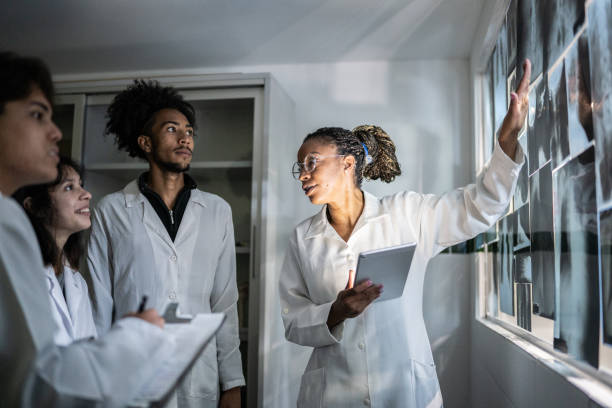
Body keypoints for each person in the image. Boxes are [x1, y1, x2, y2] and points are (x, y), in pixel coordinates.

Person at [279, 59, 532, 408]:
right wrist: (334, 312)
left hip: (406, 389)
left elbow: (479, 208)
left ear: (348, 163)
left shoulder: (408, 213)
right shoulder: (302, 238)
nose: (303, 175)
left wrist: (506, 141)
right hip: (334, 392)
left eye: (312, 162)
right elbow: (292, 322)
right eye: (299, 168)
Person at [0, 52, 172, 406]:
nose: (56, 131)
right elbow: (39, 384)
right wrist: (136, 336)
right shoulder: (8, 223)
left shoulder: (74, 280)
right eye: (36, 114)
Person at [86, 80, 244, 408]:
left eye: (188, 130)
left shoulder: (217, 211)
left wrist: (232, 382)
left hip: (197, 374)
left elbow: (225, 303)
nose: (185, 137)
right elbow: (99, 302)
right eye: (171, 129)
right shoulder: (112, 210)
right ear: (145, 142)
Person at [13, 157, 97, 345]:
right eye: (69, 187)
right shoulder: (17, 275)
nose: (87, 195)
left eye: (81, 185)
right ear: (34, 206)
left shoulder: (76, 282)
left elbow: (86, 352)